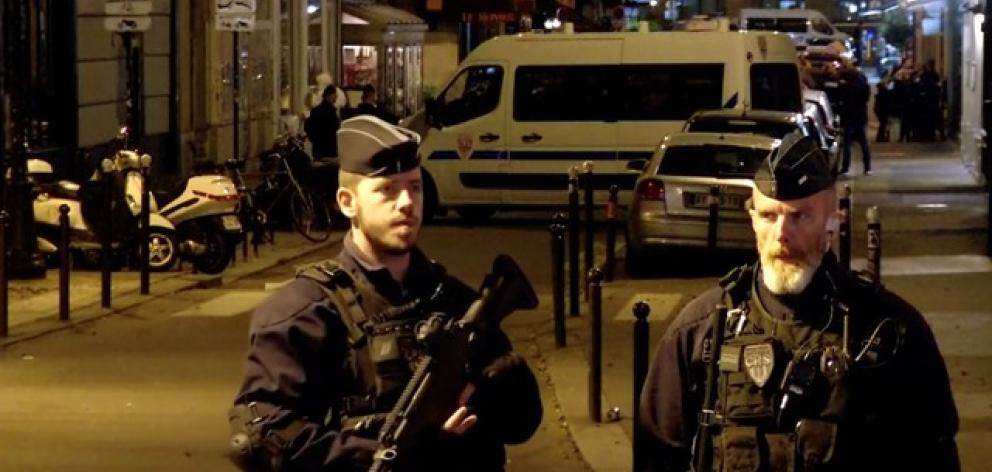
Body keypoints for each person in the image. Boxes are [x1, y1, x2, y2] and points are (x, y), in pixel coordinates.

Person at [228, 115, 543, 471]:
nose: (407, 202)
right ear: (348, 202)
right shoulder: (304, 311)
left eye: (415, 186)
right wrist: (377, 455)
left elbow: (522, 423)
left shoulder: (457, 302)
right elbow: (259, 437)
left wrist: (497, 384)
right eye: (387, 190)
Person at [638, 133, 959, 472]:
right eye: (768, 216)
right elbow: (657, 454)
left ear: (833, 222)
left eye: (799, 216)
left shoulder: (891, 331)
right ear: (752, 222)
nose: (781, 234)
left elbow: (933, 454)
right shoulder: (702, 330)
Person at [838, 67, 872, 175]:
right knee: (864, 144)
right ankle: (867, 167)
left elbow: (842, 98)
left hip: (849, 117)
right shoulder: (863, 85)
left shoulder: (847, 86)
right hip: (860, 117)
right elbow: (866, 97)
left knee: (847, 144)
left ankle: (845, 167)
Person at [304, 84, 342, 160]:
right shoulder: (331, 112)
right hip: (330, 150)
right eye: (335, 95)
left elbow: (309, 128)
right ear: (330, 95)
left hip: (318, 150)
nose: (336, 97)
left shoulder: (315, 111)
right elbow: (335, 129)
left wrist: (316, 141)